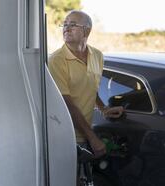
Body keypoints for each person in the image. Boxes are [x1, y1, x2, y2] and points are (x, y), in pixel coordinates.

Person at [48, 10, 124, 158]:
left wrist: (103, 108)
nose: (66, 28)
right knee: (69, 181)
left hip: (85, 133)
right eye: (64, 24)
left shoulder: (97, 55)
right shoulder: (56, 60)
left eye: (73, 25)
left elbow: (90, 86)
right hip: (64, 135)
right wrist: (92, 137)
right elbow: (66, 103)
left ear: (86, 31)